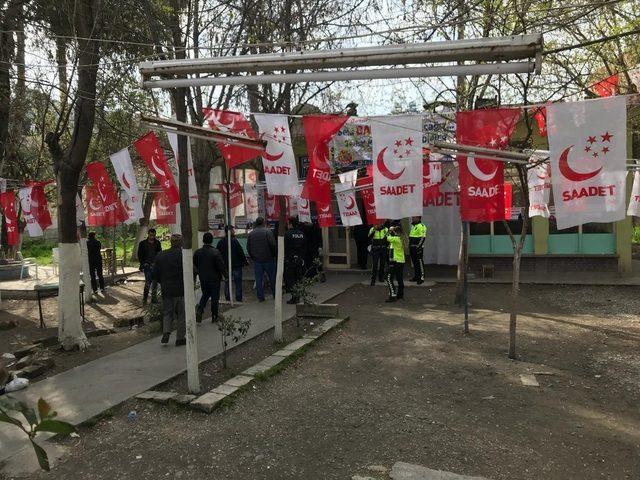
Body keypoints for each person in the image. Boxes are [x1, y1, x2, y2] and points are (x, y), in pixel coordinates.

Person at [152, 234, 186, 346]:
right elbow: (191, 270)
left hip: (166, 289)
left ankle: (166, 332)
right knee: (181, 314)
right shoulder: (183, 255)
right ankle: (180, 338)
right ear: (180, 243)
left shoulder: (160, 255)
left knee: (167, 312)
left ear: (171, 242)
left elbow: (155, 274)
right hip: (180, 290)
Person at [194, 232, 227, 323]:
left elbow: (195, 264)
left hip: (203, 278)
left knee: (205, 294)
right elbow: (221, 265)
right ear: (212, 240)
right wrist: (226, 275)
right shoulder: (215, 252)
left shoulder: (197, 252)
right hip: (215, 278)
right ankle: (214, 315)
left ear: (203, 240)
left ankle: (200, 310)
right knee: (214, 297)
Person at [247, 216, 277, 302]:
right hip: (268, 259)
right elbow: (273, 245)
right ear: (263, 222)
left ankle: (260, 297)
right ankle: (275, 294)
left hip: (257, 260)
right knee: (272, 278)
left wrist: (253, 257)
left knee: (259, 279)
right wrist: (273, 255)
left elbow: (248, 247)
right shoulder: (268, 232)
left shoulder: (251, 234)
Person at [216, 227, 248, 303]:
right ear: (230, 231)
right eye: (233, 230)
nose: (234, 232)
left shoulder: (221, 242)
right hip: (236, 265)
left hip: (225, 266)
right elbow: (240, 252)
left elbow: (217, 254)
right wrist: (245, 262)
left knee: (227, 282)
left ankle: (227, 297)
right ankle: (238, 297)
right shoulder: (235, 241)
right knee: (238, 283)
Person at [284, 217, 306, 304]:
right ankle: (298, 295)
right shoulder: (302, 234)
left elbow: (284, 247)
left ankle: (294, 297)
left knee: (291, 279)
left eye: (288, 223)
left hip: (290, 260)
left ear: (291, 224)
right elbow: (305, 246)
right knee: (298, 278)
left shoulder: (287, 234)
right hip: (300, 260)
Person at [137, 228, 162, 304]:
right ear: (148, 234)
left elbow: (159, 253)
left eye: (153, 235)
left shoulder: (157, 243)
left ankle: (154, 299)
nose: (152, 237)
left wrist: (157, 262)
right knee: (148, 282)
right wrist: (143, 263)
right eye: (151, 235)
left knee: (155, 282)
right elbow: (139, 255)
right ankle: (145, 299)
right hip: (146, 265)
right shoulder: (142, 243)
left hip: (155, 265)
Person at [385, 225, 405, 302]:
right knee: (399, 278)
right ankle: (400, 294)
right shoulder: (401, 239)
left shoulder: (396, 239)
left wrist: (389, 230)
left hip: (395, 261)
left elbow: (386, 237)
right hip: (401, 261)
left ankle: (393, 295)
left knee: (389, 278)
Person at [409, 216, 427, 284]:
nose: (413, 218)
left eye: (414, 217)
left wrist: (418, 247)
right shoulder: (413, 226)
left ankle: (421, 277)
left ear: (419, 218)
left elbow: (422, 238)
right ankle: (416, 276)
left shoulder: (421, 226)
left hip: (418, 248)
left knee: (419, 263)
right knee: (415, 263)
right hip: (412, 248)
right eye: (413, 217)